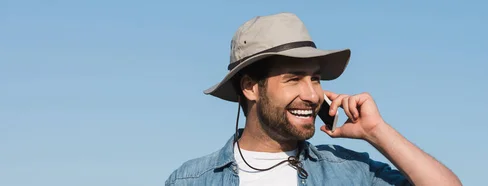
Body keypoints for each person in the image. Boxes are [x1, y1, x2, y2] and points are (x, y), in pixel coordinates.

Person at [165, 12, 462, 186]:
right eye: (294, 78)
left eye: (315, 79)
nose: (311, 95)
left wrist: (377, 132)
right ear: (250, 87)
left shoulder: (349, 172)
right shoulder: (190, 180)